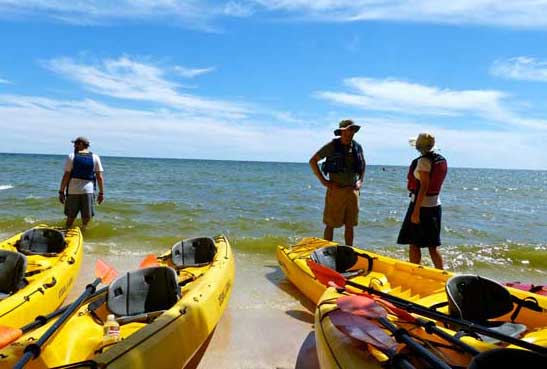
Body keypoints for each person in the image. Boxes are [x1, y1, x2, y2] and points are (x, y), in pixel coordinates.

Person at [309, 119, 366, 246]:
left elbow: (363, 164)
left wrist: (360, 181)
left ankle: (349, 251)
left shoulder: (357, 147)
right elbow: (313, 161)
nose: (349, 134)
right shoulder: (331, 146)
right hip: (336, 191)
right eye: (346, 131)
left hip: (352, 191)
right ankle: (326, 252)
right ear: (341, 132)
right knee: (330, 224)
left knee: (350, 225)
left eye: (352, 130)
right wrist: (324, 181)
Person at [397, 132, 447, 269]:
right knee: (432, 245)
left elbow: (424, 187)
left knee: (414, 243)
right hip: (435, 205)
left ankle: (415, 271)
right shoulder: (440, 160)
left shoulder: (423, 161)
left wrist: (416, 211)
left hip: (421, 206)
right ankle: (441, 274)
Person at [58, 136, 104, 229]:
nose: (74, 146)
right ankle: (83, 232)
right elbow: (99, 177)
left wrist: (61, 192)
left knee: (70, 216)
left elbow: (66, 176)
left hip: (73, 191)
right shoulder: (95, 157)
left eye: (75, 144)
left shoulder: (72, 156)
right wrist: (101, 193)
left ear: (81, 144)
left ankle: (67, 231)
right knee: (86, 217)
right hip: (88, 191)